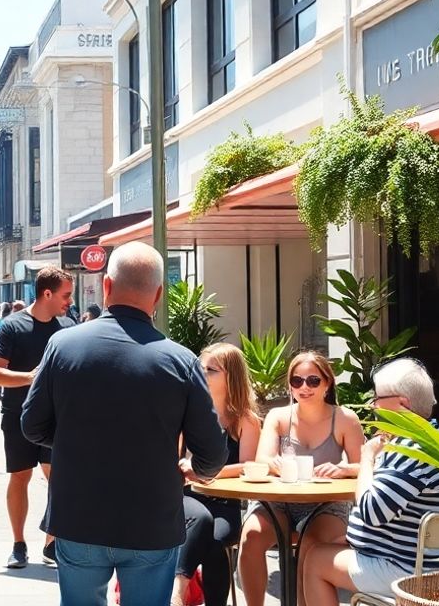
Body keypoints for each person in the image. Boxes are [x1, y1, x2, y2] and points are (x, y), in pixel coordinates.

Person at [21, 243, 228, 606]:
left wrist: (76, 440)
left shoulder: (61, 346)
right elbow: (212, 453)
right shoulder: (181, 361)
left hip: (78, 515)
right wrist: (192, 468)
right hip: (151, 520)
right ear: (159, 294)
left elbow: (32, 425)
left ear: (106, 285)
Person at [302, 358, 439, 606]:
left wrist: (366, 456)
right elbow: (399, 489)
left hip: (417, 572)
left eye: (377, 398)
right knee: (331, 544)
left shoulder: (409, 451)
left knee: (316, 560)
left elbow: (371, 512)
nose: (372, 405)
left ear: (402, 404)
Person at [238, 351, 364, 606]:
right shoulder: (278, 417)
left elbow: (365, 466)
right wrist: (273, 464)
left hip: (326, 503)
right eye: (297, 381)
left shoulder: (345, 419)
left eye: (313, 381)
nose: (304, 387)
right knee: (250, 538)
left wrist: (344, 469)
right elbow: (262, 460)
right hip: (278, 501)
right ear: (290, 385)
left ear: (327, 384)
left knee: (311, 546)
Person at [0, 266, 75, 569]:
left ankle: (52, 542)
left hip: (57, 418)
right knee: (20, 476)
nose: (70, 301)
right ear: (47, 293)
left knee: (59, 478)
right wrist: (29, 377)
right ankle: (18, 543)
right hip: (18, 415)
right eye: (66, 295)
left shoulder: (67, 328)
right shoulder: (12, 326)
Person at [173, 343, 262, 606]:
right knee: (199, 521)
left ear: (230, 376)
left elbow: (248, 465)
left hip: (225, 503)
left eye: (210, 369)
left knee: (215, 542)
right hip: (190, 496)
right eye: (199, 367)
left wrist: (206, 472)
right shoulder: (189, 412)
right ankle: (177, 594)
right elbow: (176, 456)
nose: (202, 372)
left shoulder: (245, 419)